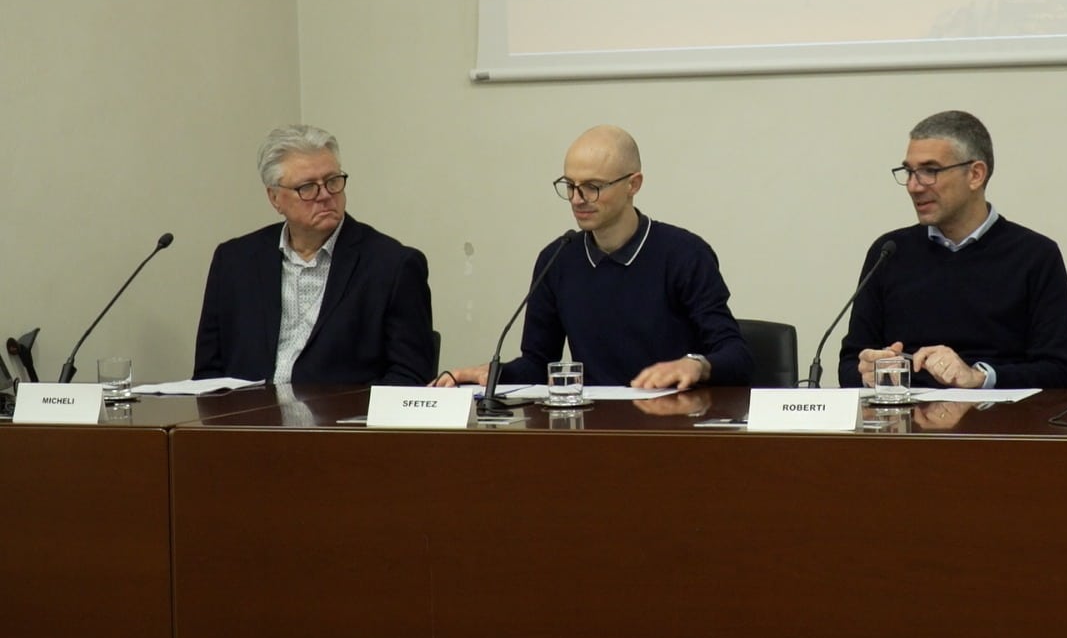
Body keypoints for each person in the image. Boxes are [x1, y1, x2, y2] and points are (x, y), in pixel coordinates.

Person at [440, 125, 752, 390]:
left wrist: (696, 365)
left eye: (593, 187)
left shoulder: (684, 254)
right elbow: (538, 364)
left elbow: (736, 355)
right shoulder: (558, 258)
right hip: (591, 428)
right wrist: (492, 374)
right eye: (570, 185)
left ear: (634, 184)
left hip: (672, 427)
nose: (577, 199)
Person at [838, 110, 1067, 389]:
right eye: (909, 171)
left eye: (930, 171)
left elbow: (1061, 374)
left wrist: (979, 377)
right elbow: (849, 365)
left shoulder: (1036, 255)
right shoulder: (888, 252)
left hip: (998, 426)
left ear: (975, 175)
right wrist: (867, 371)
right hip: (905, 425)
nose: (914, 186)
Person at [193, 124, 434, 385]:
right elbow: (208, 376)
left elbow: (409, 377)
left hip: (340, 423)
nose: (325, 195)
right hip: (246, 421)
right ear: (275, 198)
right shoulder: (234, 261)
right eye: (307, 187)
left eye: (333, 181)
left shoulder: (392, 266)